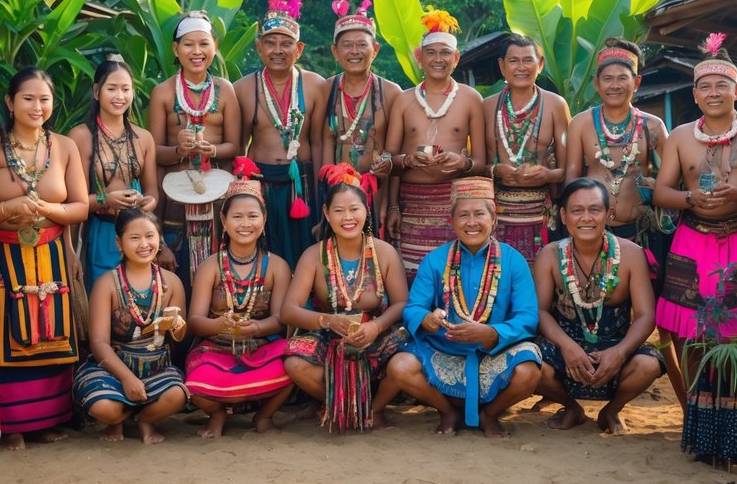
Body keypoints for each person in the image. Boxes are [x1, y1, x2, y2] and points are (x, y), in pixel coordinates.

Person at [653, 34, 737, 467]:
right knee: (689, 336)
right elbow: (662, 192)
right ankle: (697, 428)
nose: (712, 93)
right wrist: (691, 200)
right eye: (704, 87)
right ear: (695, 93)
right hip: (693, 239)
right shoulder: (681, 137)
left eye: (721, 86)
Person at [0, 67, 90, 450]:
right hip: (4, 253)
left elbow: (80, 207)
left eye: (44, 99)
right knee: (8, 333)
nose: (37, 106)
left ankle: (48, 419)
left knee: (53, 331)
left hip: (52, 251)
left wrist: (46, 211)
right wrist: (10, 207)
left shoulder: (65, 147)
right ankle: (11, 426)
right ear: (10, 102)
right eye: (28, 98)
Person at [386, 177, 541, 437]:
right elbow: (413, 308)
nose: (471, 222)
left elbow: (528, 316)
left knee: (529, 371)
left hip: (496, 351)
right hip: (446, 350)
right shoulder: (435, 260)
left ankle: (489, 415)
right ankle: (447, 411)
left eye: (479, 213)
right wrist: (428, 319)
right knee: (399, 366)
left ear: (494, 219)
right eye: (463, 215)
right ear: (452, 222)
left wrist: (492, 333)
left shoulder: (513, 260)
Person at [281, 164, 410, 432]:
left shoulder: (384, 253)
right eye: (339, 210)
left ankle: (373, 409)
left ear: (366, 211)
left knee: (409, 356)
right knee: (294, 362)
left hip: (374, 338)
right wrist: (327, 320)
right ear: (327, 214)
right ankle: (340, 403)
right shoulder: (313, 256)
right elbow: (288, 311)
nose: (347, 217)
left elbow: (402, 304)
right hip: (330, 340)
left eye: (354, 209)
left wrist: (375, 326)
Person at [534, 178, 665, 435]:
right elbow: (539, 312)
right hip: (564, 352)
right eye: (576, 210)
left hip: (614, 352)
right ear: (563, 215)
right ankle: (571, 407)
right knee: (526, 365)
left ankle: (611, 409)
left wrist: (620, 352)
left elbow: (646, 315)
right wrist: (568, 347)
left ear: (609, 213)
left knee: (650, 364)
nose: (586, 218)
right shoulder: (549, 255)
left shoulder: (631, 254)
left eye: (595, 209)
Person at [184, 158, 294, 437]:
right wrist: (220, 325)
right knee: (194, 385)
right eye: (237, 217)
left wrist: (256, 328)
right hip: (215, 351)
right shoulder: (211, 266)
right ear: (223, 221)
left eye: (253, 216)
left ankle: (264, 416)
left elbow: (280, 320)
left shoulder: (277, 266)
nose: (245, 224)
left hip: (260, 350)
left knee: (295, 364)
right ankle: (217, 414)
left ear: (264, 220)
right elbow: (195, 321)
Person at [386, 9, 486, 281]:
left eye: (445, 53)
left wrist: (462, 162)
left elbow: (482, 163)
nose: (438, 59)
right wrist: (406, 162)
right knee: (413, 275)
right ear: (420, 58)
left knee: (453, 274)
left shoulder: (470, 99)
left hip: (454, 203)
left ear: (455, 59)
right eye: (431, 53)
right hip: (412, 204)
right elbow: (387, 159)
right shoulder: (404, 100)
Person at [74, 209, 189, 444]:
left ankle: (145, 419)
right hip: (112, 369)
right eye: (134, 238)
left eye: (150, 236)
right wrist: (127, 378)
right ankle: (118, 419)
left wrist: (176, 323)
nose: (144, 244)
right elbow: (98, 343)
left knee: (177, 396)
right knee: (104, 408)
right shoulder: (107, 284)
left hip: (156, 367)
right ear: (119, 242)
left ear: (159, 239)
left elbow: (179, 339)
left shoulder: (172, 282)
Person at [233, 0, 325, 267]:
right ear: (259, 47)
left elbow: (319, 141)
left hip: (303, 182)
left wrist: (323, 191)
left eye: (286, 44)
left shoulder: (316, 85)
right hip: (261, 181)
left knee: (306, 249)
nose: (278, 51)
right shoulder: (243, 89)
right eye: (270, 43)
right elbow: (238, 147)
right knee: (265, 250)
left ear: (298, 50)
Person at [148, 10, 241, 284]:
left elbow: (235, 146)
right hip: (174, 197)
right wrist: (178, 151)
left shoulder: (225, 90)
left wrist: (211, 151)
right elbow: (152, 152)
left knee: (219, 272)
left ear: (215, 46)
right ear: (176, 49)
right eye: (188, 44)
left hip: (217, 195)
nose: (196, 51)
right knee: (176, 269)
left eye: (204, 44)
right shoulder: (163, 92)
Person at [564, 39, 670, 274]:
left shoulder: (652, 126)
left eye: (623, 78)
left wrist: (654, 185)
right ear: (597, 84)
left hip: (640, 231)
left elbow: (673, 178)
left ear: (636, 82)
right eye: (607, 79)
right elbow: (571, 174)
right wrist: (580, 213)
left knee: (641, 294)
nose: (615, 85)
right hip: (592, 232)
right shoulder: (580, 124)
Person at [67, 58, 158, 285]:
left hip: (138, 233)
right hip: (100, 232)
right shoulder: (79, 137)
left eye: (126, 89)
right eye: (112, 89)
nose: (120, 96)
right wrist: (105, 199)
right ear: (96, 91)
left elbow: (154, 192)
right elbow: (70, 203)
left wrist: (147, 202)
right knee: (102, 296)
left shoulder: (144, 137)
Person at [481, 33, 570, 265]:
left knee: (540, 281)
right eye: (513, 61)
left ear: (540, 65)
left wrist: (547, 174)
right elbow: (478, 164)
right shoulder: (487, 106)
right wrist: (496, 170)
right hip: (498, 213)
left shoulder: (556, 105)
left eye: (528, 60)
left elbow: (568, 168)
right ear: (502, 66)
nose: (521, 67)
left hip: (542, 213)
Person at [319, 0, 401, 218]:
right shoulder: (325, 89)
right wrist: (324, 197)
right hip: (335, 194)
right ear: (335, 52)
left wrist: (391, 205)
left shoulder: (392, 93)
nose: (354, 51)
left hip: (377, 192)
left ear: (375, 49)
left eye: (362, 44)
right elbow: (323, 142)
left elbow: (396, 154)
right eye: (346, 45)